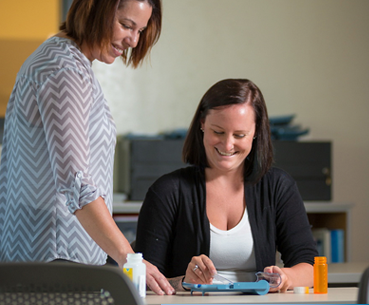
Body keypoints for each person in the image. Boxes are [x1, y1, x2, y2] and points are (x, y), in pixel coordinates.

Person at [0, 0, 174, 295]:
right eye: (126, 25)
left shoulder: (71, 63)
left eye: (140, 30)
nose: (133, 40)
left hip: (61, 257)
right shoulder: (62, 67)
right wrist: (129, 260)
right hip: (52, 256)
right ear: (96, 9)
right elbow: (76, 183)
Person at [135, 78, 318, 292]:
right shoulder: (168, 191)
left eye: (239, 135)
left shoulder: (278, 186)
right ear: (202, 123)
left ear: (256, 131)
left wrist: (286, 276)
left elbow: (311, 267)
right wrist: (185, 282)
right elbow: (143, 280)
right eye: (218, 132)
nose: (228, 145)